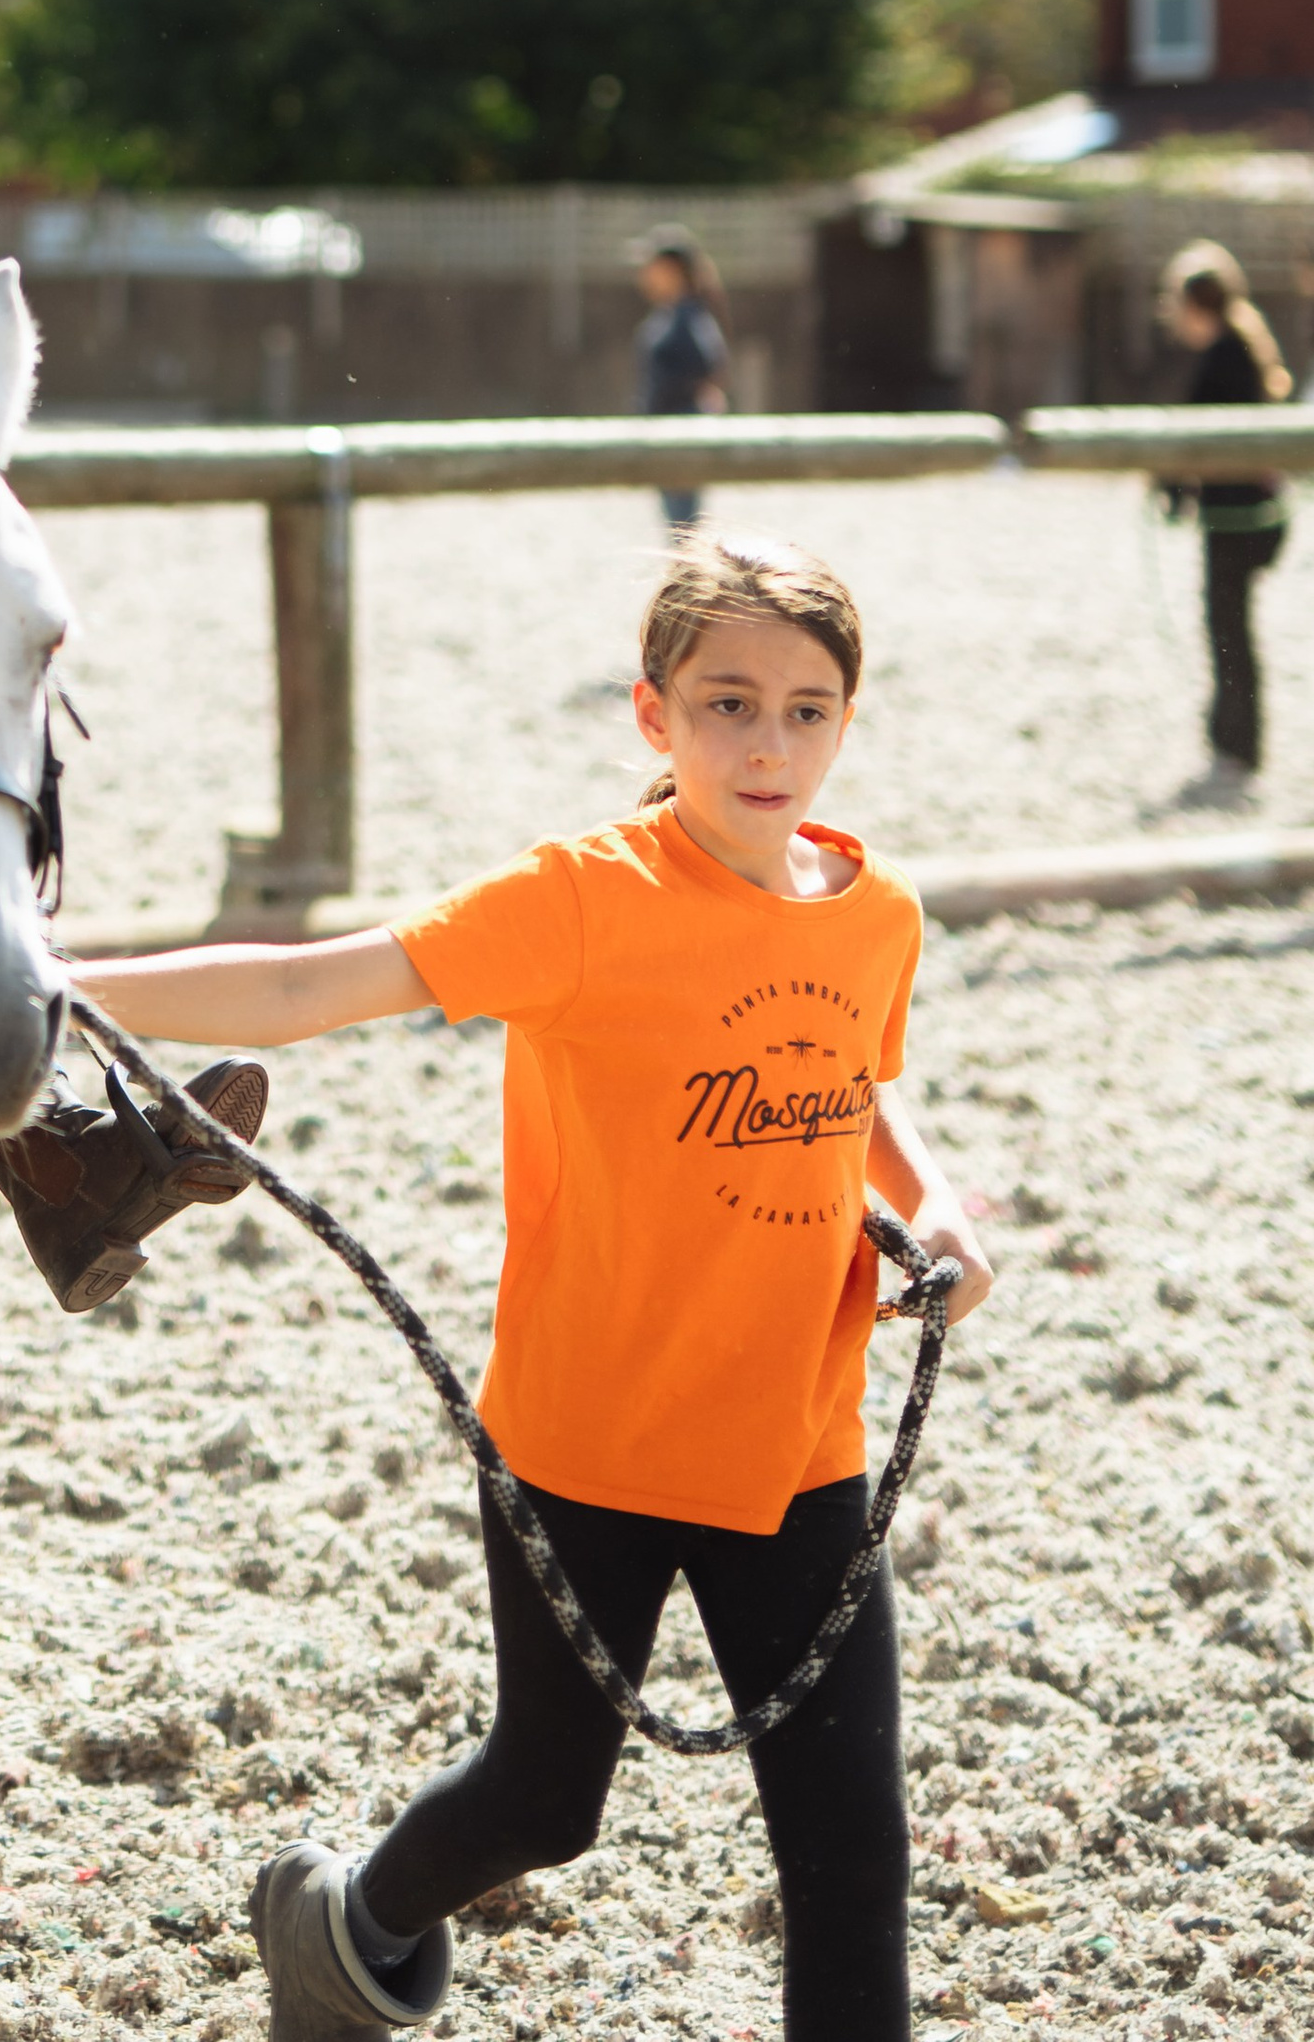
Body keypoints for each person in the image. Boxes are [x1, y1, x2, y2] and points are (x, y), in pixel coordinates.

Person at [78, 534, 994, 2042]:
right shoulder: (581, 899)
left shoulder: (874, 910)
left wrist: (937, 1205)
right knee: (546, 1799)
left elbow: (858, 1078)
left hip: (802, 1446)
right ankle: (349, 1919)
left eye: (808, 709)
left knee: (853, 1856)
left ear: (849, 717)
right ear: (654, 715)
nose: (769, 744)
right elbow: (317, 983)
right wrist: (51, 976)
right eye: (727, 704)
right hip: (584, 1448)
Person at [1156, 239, 1294, 776]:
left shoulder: (1225, 356)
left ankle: (1238, 740)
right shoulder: (1242, 343)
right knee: (1231, 625)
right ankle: (1232, 733)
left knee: (1228, 627)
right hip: (1249, 509)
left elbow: (1203, 439)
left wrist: (1175, 481)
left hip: (1238, 516)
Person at [634, 227, 728, 533]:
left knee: (683, 532)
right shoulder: (674, 312)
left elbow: (704, 362)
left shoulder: (687, 316)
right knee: (679, 528)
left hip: (678, 430)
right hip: (667, 432)